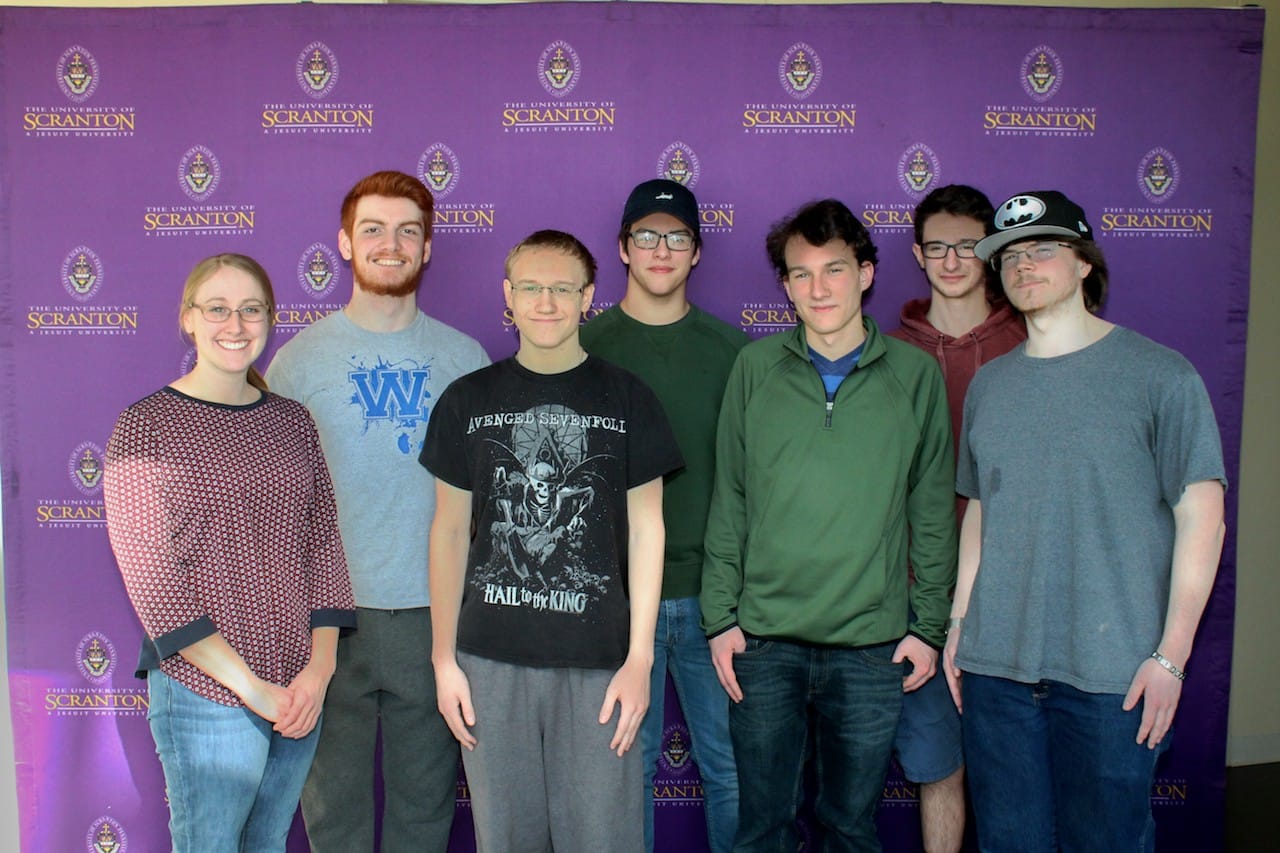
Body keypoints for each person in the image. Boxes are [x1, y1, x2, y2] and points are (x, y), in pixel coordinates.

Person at [945, 190, 1226, 851]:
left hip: (1113, 677)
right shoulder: (991, 386)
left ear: (1085, 264)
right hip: (997, 674)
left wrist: (1172, 655)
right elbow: (980, 510)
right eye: (1010, 253)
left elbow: (1203, 519)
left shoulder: (1161, 376)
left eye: (1043, 247)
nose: (1024, 264)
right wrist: (960, 622)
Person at [701, 199, 957, 851]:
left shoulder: (915, 376)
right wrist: (720, 618)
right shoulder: (754, 370)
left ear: (867, 273)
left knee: (849, 826)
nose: (818, 288)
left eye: (835, 269)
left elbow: (930, 510)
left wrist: (928, 626)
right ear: (784, 284)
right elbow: (730, 498)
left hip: (871, 648)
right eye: (801, 273)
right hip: (764, 644)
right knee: (762, 827)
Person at [421, 230, 684, 852]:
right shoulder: (468, 399)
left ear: (587, 296)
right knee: (506, 839)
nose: (546, 302)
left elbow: (649, 529)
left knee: (603, 838)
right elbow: (450, 531)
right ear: (508, 296)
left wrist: (640, 658)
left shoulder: (627, 396)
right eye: (531, 288)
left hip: (599, 662)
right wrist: (443, 660)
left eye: (562, 289)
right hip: (490, 661)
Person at [266, 170, 489, 851]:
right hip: (329, 624)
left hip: (435, 620)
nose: (389, 245)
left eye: (407, 231)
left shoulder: (465, 360)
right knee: (333, 818)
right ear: (343, 242)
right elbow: (274, 506)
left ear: (428, 248)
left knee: (425, 815)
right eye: (373, 229)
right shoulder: (296, 363)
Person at [103, 253, 356, 853]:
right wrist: (252, 687)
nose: (235, 324)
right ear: (188, 319)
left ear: (272, 318)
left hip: (296, 687)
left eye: (251, 309)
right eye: (217, 308)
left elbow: (323, 545)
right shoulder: (146, 426)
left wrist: (316, 675)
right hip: (205, 689)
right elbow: (156, 584)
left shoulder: (293, 422)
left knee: (266, 844)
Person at [580, 178, 746, 853]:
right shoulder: (583, 349)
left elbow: (749, 481)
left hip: (717, 601)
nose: (661, 249)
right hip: (615, 603)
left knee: (733, 772)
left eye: (677, 236)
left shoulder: (735, 352)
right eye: (646, 235)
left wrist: (736, 596)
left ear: (697, 253)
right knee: (624, 773)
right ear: (622, 248)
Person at [887, 184, 1026, 852]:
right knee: (939, 762)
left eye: (967, 246)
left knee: (1014, 771)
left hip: (1016, 592)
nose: (951, 259)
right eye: (937, 246)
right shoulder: (885, 352)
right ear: (917, 253)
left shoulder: (1028, 341)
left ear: (991, 252)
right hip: (919, 594)